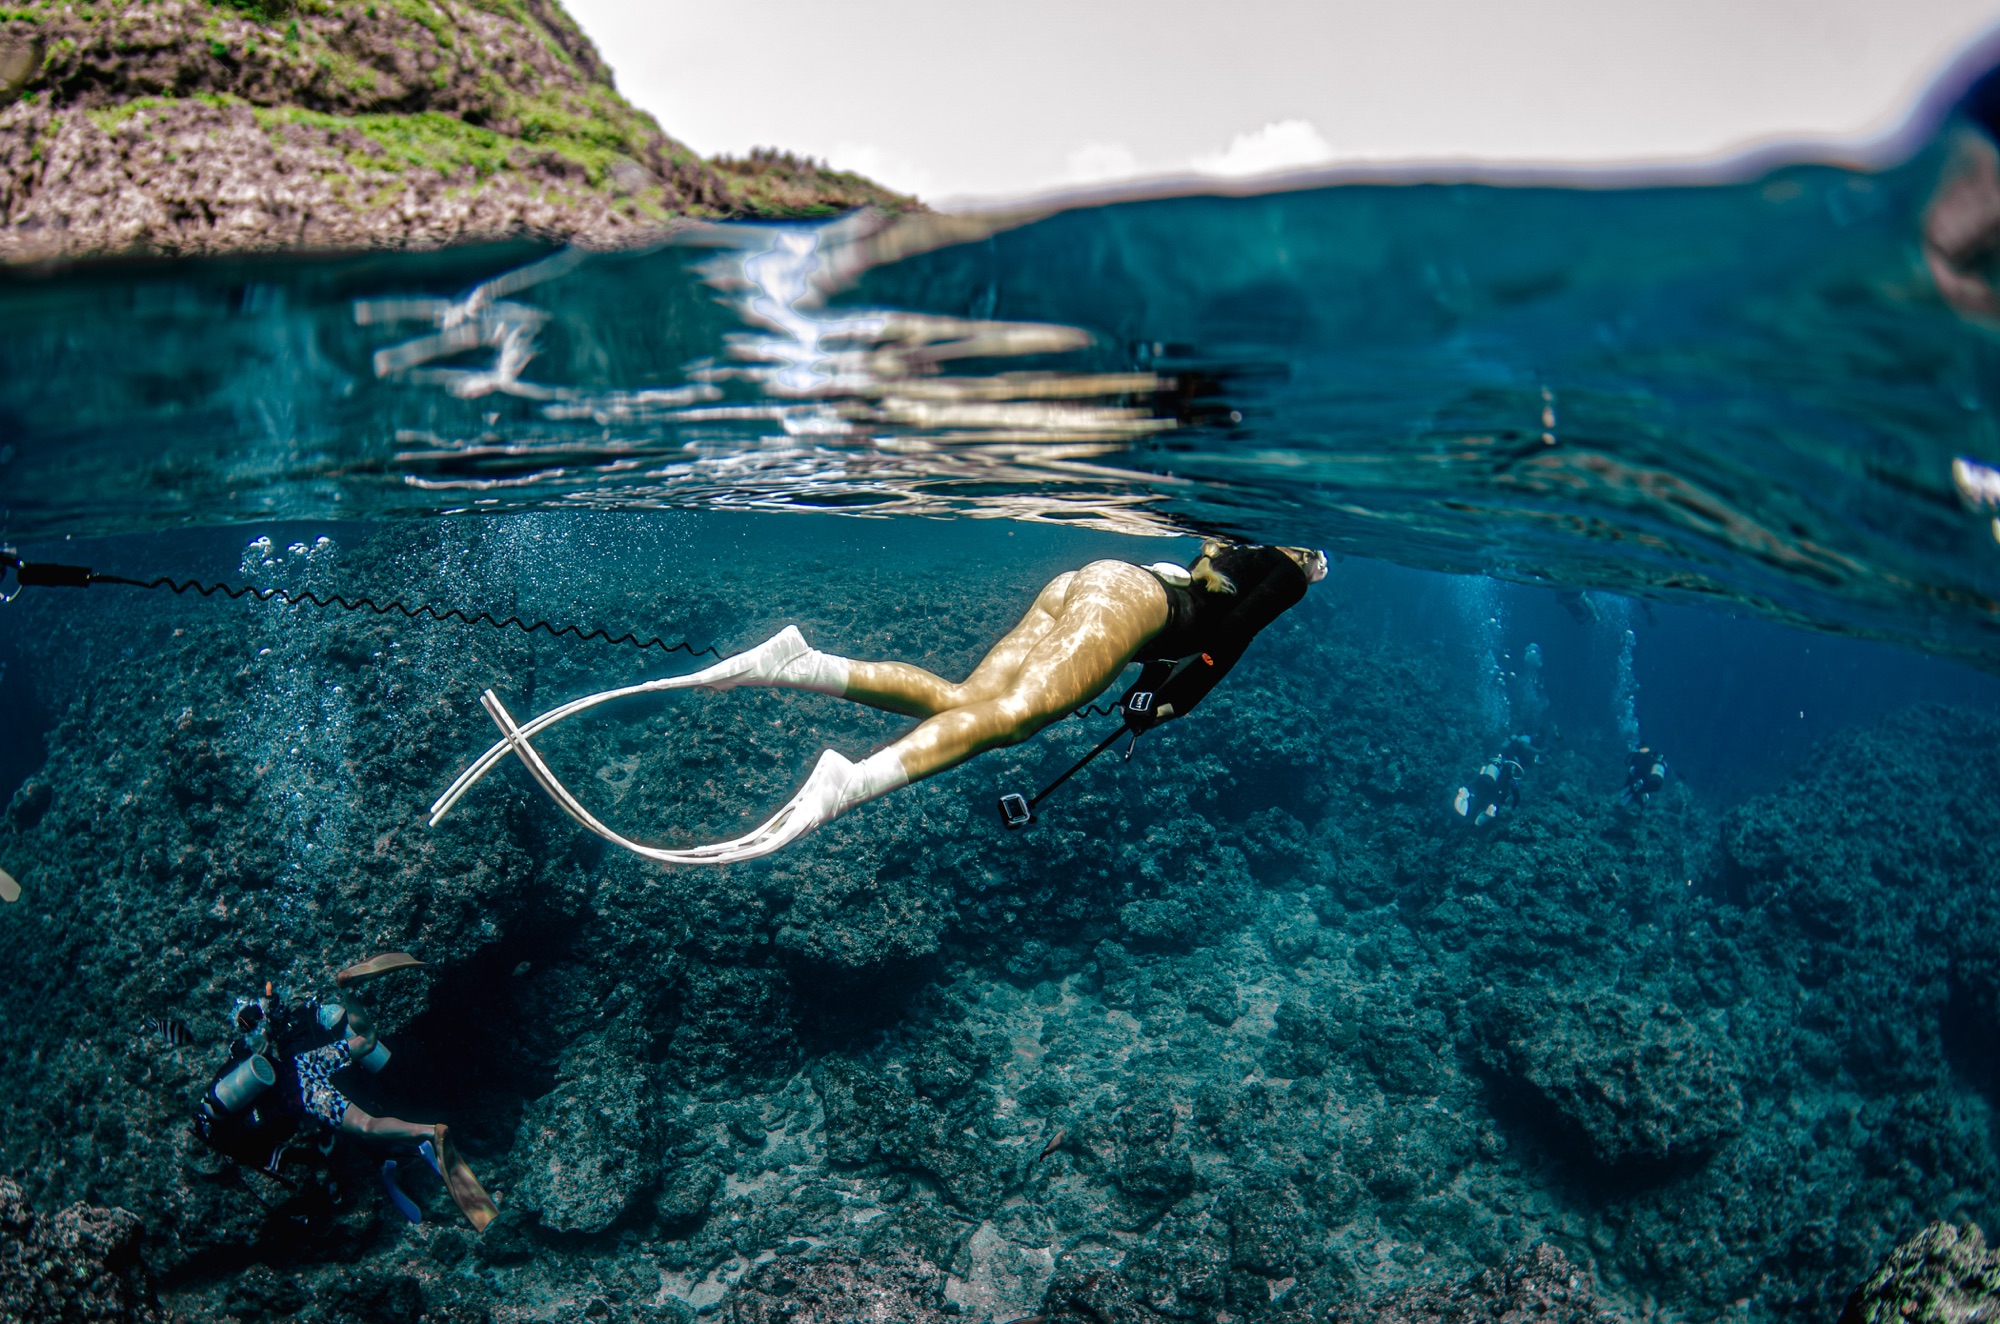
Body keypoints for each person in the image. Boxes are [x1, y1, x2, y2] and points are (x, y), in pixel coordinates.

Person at [432, 540, 1327, 863]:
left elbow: (1201, 637)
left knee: (968, 701)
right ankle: (844, 788)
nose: (1315, 566)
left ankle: (800, 662)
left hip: (1096, 582)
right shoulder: (1291, 566)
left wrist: (1150, 695)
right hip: (1141, 607)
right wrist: (1167, 709)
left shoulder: (1229, 538)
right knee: (1011, 722)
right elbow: (1228, 639)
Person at [192, 979, 495, 1229]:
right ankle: (348, 990)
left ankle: (427, 1132)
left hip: (303, 1091)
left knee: (365, 1126)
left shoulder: (246, 1048)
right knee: (367, 1040)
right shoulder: (293, 1022)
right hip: (309, 1065)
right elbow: (364, 1041)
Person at [1453, 750, 1522, 827]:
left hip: (1484, 780)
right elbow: (1516, 796)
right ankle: (1488, 811)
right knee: (1495, 800)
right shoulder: (1508, 773)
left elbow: (1478, 776)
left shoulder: (1490, 765)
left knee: (1478, 792)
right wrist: (1514, 807)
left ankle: (1466, 795)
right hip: (1495, 789)